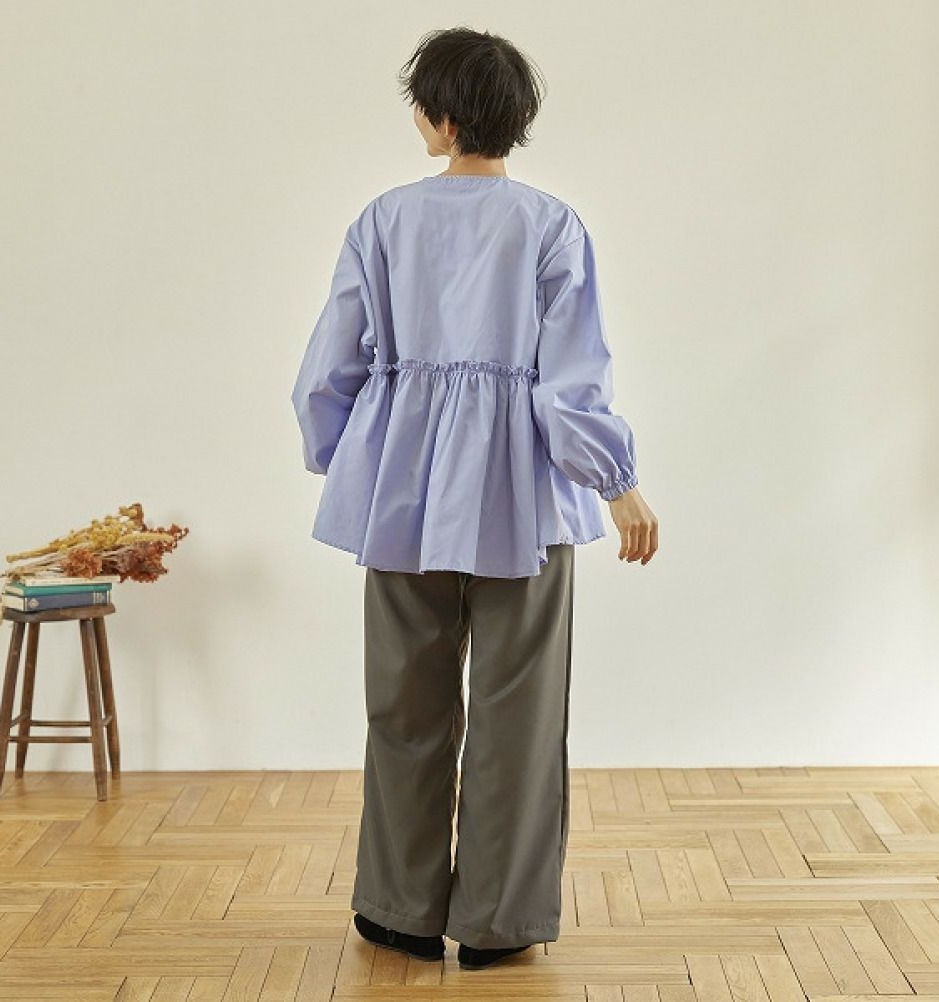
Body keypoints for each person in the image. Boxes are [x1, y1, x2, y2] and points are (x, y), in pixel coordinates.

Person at [291, 26, 659, 971]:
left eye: (422, 103)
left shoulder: (382, 222)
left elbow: (328, 368)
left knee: (403, 705)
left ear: (444, 116)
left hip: (401, 495)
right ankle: (499, 921)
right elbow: (571, 384)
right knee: (519, 712)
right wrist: (616, 483)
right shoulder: (550, 226)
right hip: (524, 502)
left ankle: (399, 911)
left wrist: (346, 459)